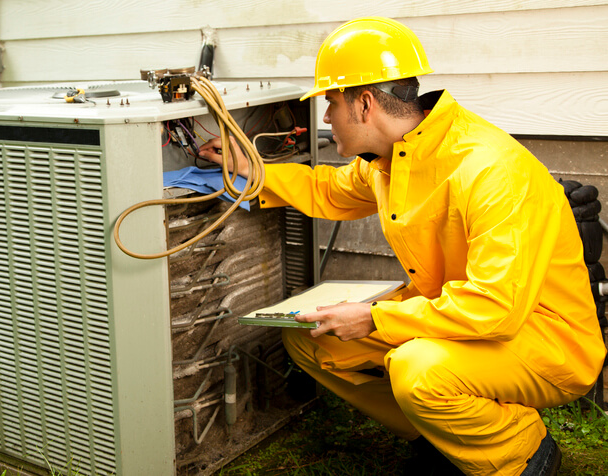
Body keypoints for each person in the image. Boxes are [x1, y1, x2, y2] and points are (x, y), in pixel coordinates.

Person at [199, 16, 606, 476]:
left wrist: (373, 317)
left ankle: (523, 454)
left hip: (541, 337)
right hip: (460, 319)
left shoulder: (490, 170)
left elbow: (496, 306)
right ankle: (443, 435)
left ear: (365, 103)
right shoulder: (393, 158)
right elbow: (329, 192)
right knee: (313, 342)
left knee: (418, 371)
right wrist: (247, 167)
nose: (327, 118)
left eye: (331, 103)